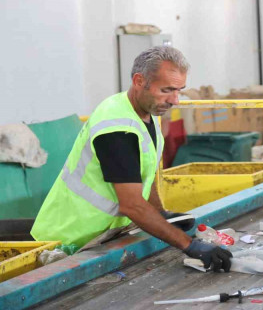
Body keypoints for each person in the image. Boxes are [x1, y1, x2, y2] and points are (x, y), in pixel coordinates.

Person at [31, 46, 232, 272]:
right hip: (67, 243)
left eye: (179, 90)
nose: (175, 100)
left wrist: (159, 213)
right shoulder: (117, 128)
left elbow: (146, 172)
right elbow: (132, 205)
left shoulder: (146, 111)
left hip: (103, 237)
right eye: (167, 90)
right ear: (139, 80)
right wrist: (190, 245)